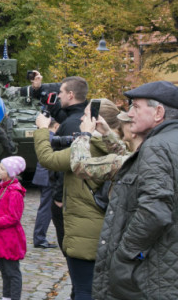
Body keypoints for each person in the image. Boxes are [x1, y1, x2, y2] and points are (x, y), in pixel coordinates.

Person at [92, 81, 178, 299]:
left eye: (136, 107)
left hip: (152, 274)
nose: (129, 114)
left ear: (158, 112)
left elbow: (154, 211)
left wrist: (125, 256)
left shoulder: (156, 146)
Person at [35, 98, 120, 300]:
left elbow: (47, 159)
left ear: (95, 120)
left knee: (83, 289)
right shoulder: (117, 145)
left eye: (85, 114)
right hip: (107, 231)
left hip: (84, 235)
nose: (81, 118)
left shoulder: (85, 147)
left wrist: (42, 130)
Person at [28, 74, 90, 252]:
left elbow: (67, 164)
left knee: (69, 247)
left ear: (70, 94)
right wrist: (39, 90)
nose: (58, 96)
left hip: (67, 196)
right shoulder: (78, 116)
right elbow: (59, 112)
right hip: (70, 194)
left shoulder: (72, 124)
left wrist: (58, 198)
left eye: (61, 92)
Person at [0, 156, 27, 300]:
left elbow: (13, 218)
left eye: (1, 168)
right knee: (4, 270)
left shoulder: (14, 193)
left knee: (12, 272)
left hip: (10, 239)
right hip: (1, 238)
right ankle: (6, 297)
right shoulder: (2, 187)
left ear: (9, 172)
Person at [70, 111, 143, 183]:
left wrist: (84, 134)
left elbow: (80, 166)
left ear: (134, 132)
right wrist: (107, 134)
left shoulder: (136, 161)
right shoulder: (146, 154)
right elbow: (126, 157)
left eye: (131, 123)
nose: (122, 126)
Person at [31, 120, 58, 249]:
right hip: (48, 177)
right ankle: (39, 238)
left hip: (44, 176)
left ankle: (40, 237)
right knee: (46, 209)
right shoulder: (52, 138)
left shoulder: (46, 137)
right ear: (56, 126)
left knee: (46, 207)